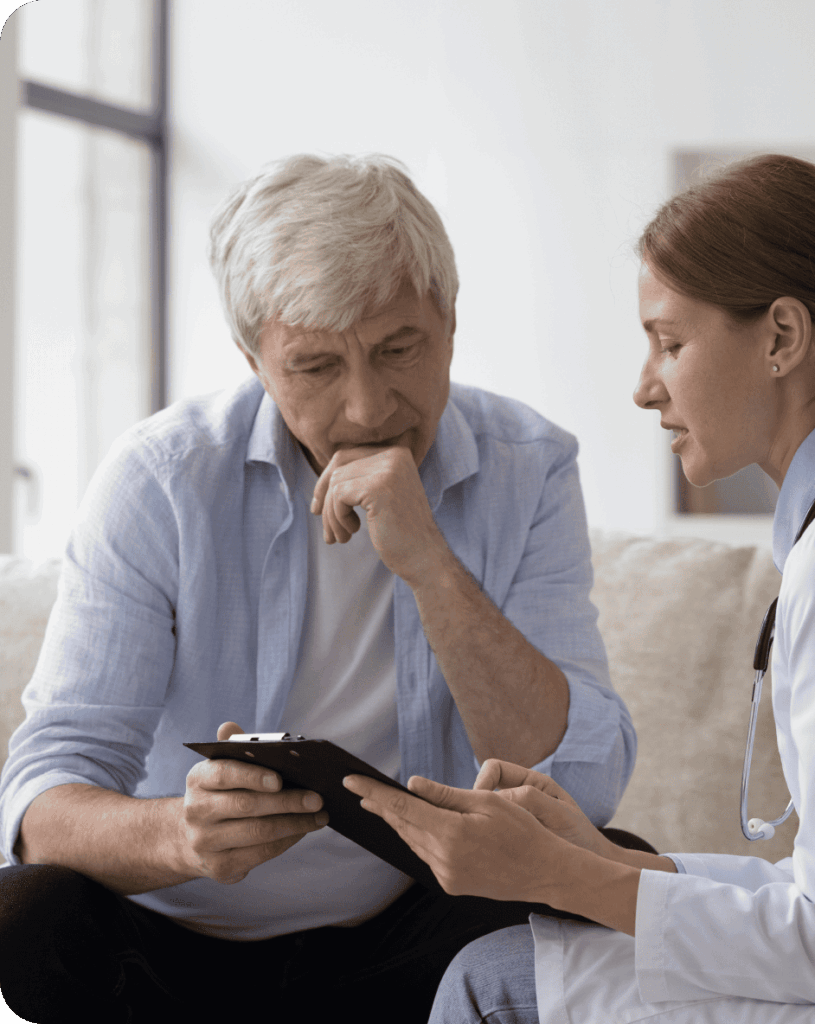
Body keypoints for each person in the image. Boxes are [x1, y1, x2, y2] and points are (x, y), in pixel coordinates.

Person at [0, 153, 637, 1022]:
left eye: (398, 349)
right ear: (253, 358)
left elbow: (581, 783)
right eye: (314, 367)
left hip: (405, 937)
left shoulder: (529, 465)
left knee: (604, 871)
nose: (369, 409)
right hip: (173, 947)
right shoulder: (160, 479)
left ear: (449, 322)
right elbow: (42, 802)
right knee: (27, 917)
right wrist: (180, 836)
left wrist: (427, 562)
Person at [347, 153, 815, 1023]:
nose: (644, 388)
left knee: (499, 983)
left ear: (782, 338)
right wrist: (610, 866)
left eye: (669, 343)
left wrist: (555, 874)